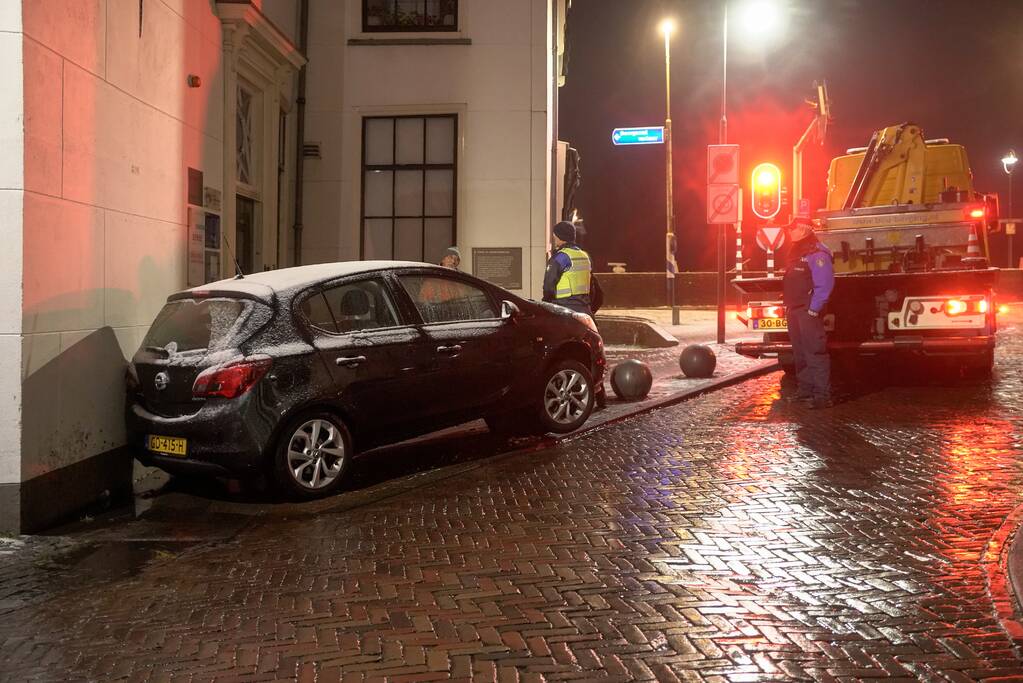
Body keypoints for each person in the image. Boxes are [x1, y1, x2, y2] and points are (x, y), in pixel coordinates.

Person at [782, 217, 835, 409]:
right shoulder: (796, 252)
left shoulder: (817, 252)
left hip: (807, 310)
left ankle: (822, 396)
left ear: (803, 230)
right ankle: (805, 391)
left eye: (792, 228)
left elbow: (825, 284)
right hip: (795, 309)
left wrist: (814, 309)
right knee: (800, 352)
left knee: (814, 351)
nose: (789, 231)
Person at [543, 221, 592, 315]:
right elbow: (593, 286)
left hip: (564, 309)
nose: (554, 238)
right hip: (585, 309)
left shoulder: (561, 257)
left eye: (555, 236)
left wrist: (546, 304)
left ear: (560, 237)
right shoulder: (585, 256)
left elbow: (548, 286)